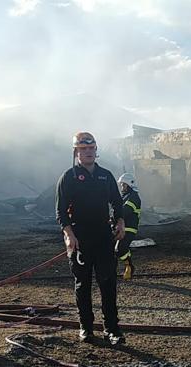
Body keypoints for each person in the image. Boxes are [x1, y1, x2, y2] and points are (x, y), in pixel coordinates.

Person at [56, 132, 126, 344]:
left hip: (104, 237)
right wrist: (68, 234)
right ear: (76, 151)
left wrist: (120, 221)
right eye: (83, 149)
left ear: (96, 150)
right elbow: (60, 210)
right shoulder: (68, 177)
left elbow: (116, 201)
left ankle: (112, 329)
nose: (88, 152)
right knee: (82, 285)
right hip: (80, 238)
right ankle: (85, 327)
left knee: (108, 283)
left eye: (91, 148)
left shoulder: (106, 175)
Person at [116, 173, 141, 280]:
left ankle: (129, 266)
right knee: (111, 249)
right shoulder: (125, 197)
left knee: (120, 248)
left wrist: (111, 218)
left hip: (129, 228)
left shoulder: (134, 197)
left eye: (123, 185)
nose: (122, 187)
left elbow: (124, 212)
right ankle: (111, 271)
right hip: (119, 228)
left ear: (128, 185)